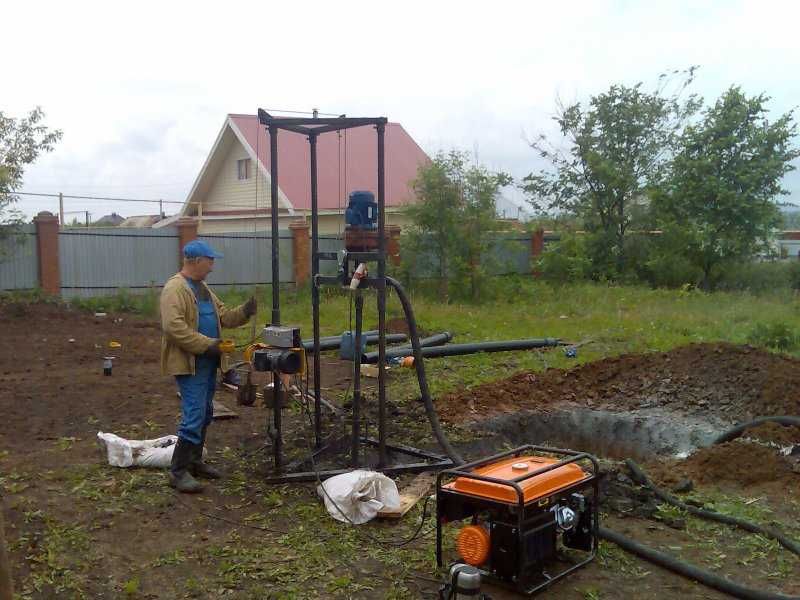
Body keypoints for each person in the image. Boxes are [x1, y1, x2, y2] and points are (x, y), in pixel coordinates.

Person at [160, 240, 257, 493]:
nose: (212, 267)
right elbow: (173, 328)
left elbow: (223, 316)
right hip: (190, 363)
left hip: (207, 362)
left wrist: (245, 311)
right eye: (209, 261)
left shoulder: (202, 288)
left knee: (205, 412)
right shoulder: (175, 289)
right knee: (194, 414)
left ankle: (194, 462)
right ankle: (177, 472)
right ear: (195, 261)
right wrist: (208, 345)